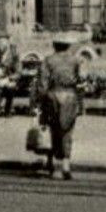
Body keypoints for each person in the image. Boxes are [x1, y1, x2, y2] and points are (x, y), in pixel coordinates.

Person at [33, 34, 86, 179]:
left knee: (53, 129)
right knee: (67, 131)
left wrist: (39, 102)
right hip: (70, 97)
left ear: (54, 46)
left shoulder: (48, 61)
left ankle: (54, 164)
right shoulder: (76, 60)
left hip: (53, 96)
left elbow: (42, 84)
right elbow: (82, 81)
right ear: (68, 46)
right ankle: (66, 165)